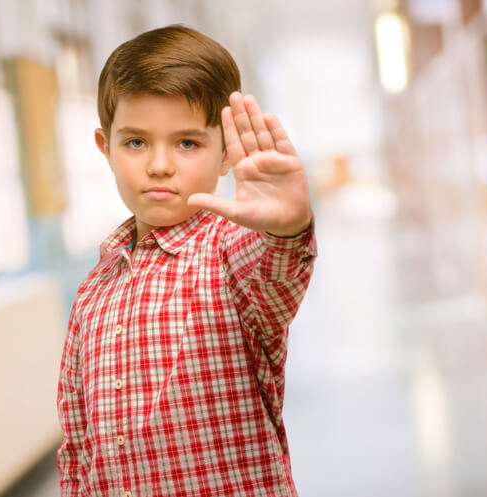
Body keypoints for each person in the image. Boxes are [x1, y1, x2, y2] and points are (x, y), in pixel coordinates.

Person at [56, 24, 316, 497]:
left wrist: (287, 228)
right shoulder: (93, 293)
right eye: (135, 142)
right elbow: (78, 447)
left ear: (225, 153)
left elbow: (277, 269)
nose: (159, 164)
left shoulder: (231, 255)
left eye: (187, 143)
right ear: (105, 148)